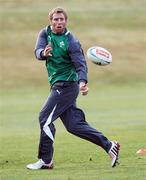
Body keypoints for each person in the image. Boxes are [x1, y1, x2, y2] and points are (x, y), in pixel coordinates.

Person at [26, 7, 120, 170]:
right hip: (57, 85)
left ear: (66, 21)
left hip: (66, 86)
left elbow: (80, 64)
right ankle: (109, 145)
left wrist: (82, 82)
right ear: (51, 21)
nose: (59, 22)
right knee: (74, 125)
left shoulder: (71, 41)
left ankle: (45, 160)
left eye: (62, 19)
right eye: (56, 19)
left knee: (45, 119)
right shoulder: (44, 33)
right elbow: (38, 51)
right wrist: (43, 53)